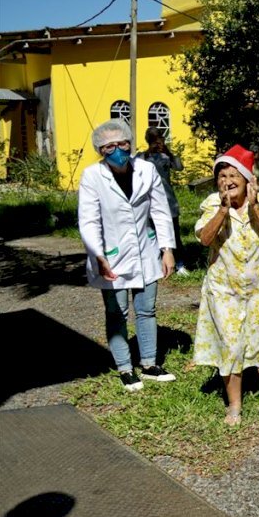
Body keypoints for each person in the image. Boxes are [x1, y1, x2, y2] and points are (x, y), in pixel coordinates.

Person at [77, 118, 177, 391]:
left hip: (146, 250)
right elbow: (88, 221)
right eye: (110, 146)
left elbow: (160, 211)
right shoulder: (92, 176)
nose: (118, 149)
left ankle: (149, 364)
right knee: (116, 312)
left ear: (131, 143)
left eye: (122, 143)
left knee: (147, 309)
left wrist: (167, 250)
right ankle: (124, 368)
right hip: (111, 255)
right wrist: (98, 255)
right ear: (101, 150)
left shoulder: (147, 170)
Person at [193, 145, 259, 425]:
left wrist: (255, 207)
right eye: (222, 176)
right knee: (231, 345)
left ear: (247, 180)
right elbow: (205, 238)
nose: (227, 181)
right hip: (224, 288)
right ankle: (234, 405)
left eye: (233, 175)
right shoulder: (211, 203)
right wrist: (223, 210)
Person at [136, 126, 188, 275]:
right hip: (156, 201)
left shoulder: (158, 157)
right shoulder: (147, 157)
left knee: (169, 233)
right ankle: (166, 263)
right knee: (160, 234)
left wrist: (169, 153)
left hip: (164, 201)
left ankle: (175, 263)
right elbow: (179, 167)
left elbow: (179, 167)